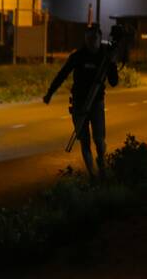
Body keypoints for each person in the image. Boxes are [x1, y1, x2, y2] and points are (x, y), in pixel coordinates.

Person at [43, 24, 118, 178]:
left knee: (99, 139)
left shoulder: (105, 56)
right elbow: (62, 74)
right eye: (88, 38)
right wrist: (50, 93)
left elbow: (114, 81)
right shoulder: (78, 56)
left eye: (94, 38)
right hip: (79, 104)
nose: (91, 42)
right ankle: (93, 175)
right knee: (85, 142)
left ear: (99, 38)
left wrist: (112, 63)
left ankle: (102, 164)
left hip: (96, 103)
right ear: (85, 38)